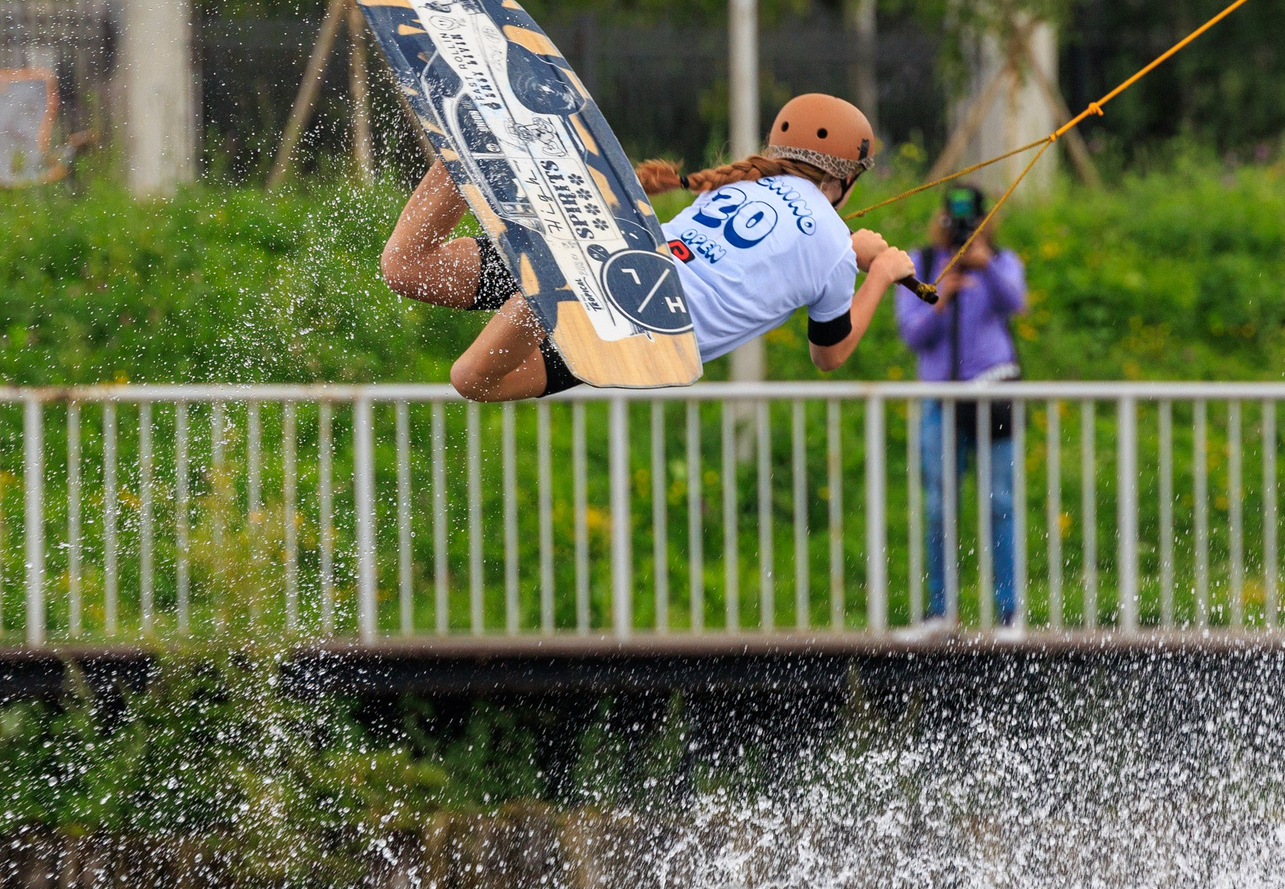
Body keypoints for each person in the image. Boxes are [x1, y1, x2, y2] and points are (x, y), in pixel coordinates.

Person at [381, 93, 918, 400]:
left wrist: (847, 249)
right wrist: (882, 271)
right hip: (639, 323)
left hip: (619, 256)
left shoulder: (743, 180)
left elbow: (775, 241)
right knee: (473, 379)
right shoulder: (834, 252)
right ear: (846, 180)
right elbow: (830, 354)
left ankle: (469, 146)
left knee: (406, 267)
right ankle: (551, 288)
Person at [893, 184, 1027, 626]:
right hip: (939, 399)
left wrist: (985, 266)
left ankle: (1009, 612)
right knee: (938, 505)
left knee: (1001, 501)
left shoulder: (1001, 261)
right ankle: (940, 610)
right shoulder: (925, 265)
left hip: (993, 393)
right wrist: (941, 294)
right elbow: (912, 334)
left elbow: (1017, 304)